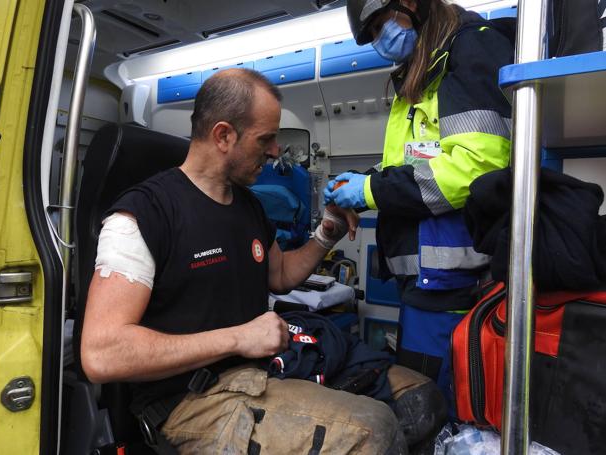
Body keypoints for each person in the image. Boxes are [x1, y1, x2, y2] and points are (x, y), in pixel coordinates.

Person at [81, 68, 445, 454]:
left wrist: (327, 234)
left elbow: (282, 274)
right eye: (266, 139)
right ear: (224, 135)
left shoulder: (247, 206)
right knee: (374, 430)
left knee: (419, 398)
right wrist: (239, 338)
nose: (275, 151)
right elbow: (102, 353)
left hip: (261, 373)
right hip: (190, 402)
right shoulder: (143, 214)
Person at [324, 0, 513, 408]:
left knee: (438, 412)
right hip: (425, 286)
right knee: (417, 407)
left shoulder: (468, 51)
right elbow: (418, 161)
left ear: (409, 4)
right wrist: (362, 182)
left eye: (379, 25)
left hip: (458, 285)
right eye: (371, 34)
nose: (380, 41)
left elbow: (476, 166)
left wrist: (369, 191)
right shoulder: (424, 70)